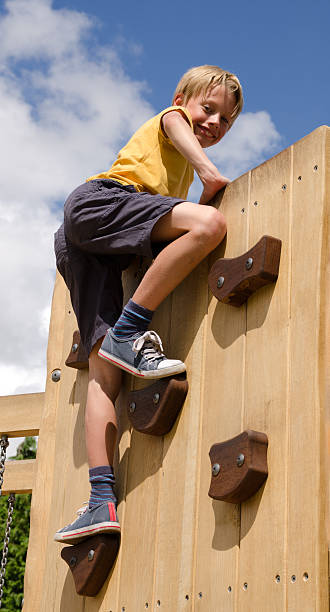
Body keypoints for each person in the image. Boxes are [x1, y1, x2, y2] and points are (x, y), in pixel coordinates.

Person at [53, 65, 243, 544]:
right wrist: (207, 173)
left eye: (226, 121)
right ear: (182, 99)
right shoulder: (170, 119)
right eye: (209, 108)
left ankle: (100, 500)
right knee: (209, 227)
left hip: (86, 242)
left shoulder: (174, 167)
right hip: (99, 201)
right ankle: (129, 331)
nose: (214, 123)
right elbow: (176, 124)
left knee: (104, 372)